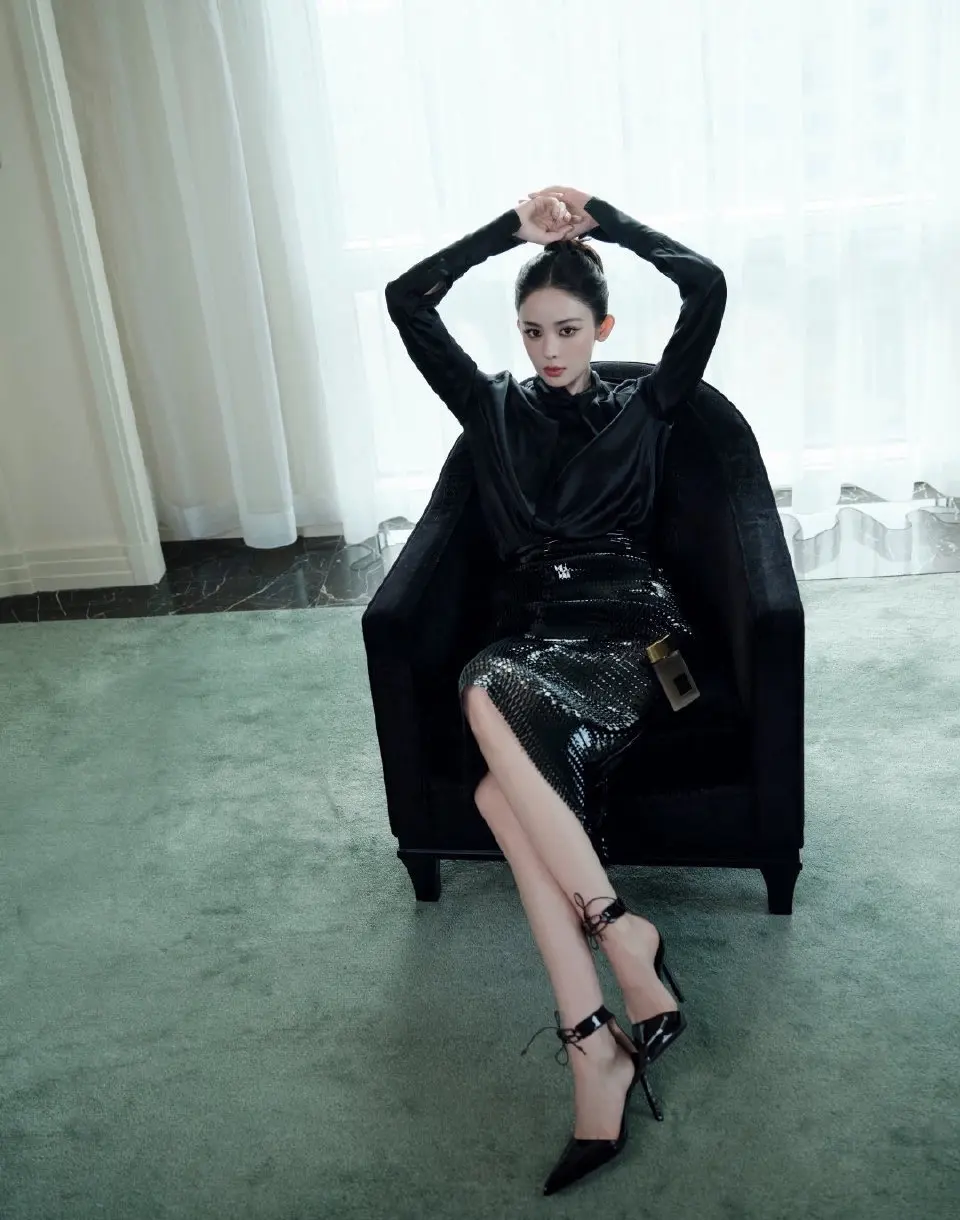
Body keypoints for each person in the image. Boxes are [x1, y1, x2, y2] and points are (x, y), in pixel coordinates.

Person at [384, 185, 726, 1195]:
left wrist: (608, 222)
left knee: (483, 688)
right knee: (498, 789)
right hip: (542, 638)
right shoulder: (489, 406)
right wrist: (507, 234)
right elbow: (407, 299)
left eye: (568, 330)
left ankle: (618, 957)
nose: (548, 350)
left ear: (602, 330)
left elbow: (707, 285)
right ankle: (598, 1035)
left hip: (636, 635)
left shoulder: (649, 404)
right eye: (532, 331)